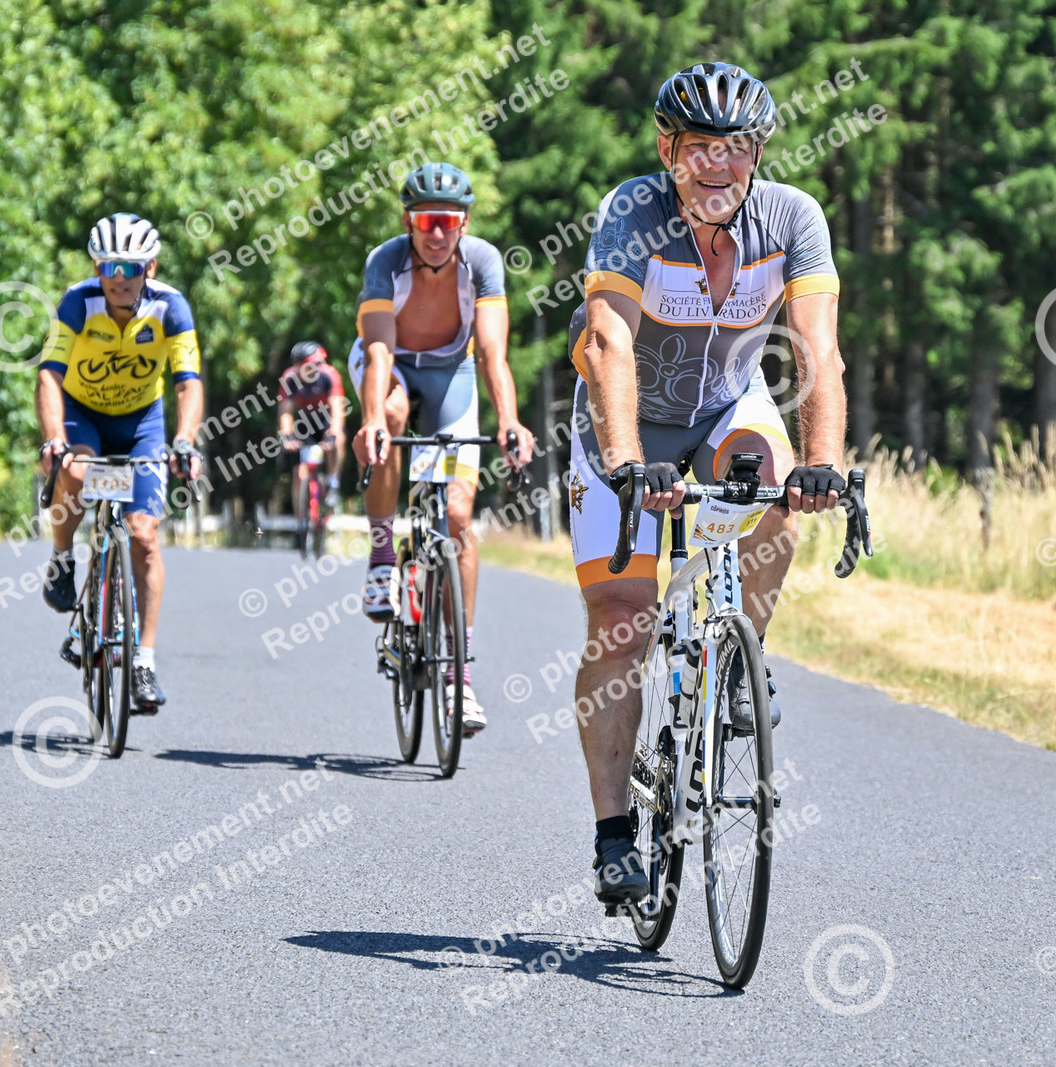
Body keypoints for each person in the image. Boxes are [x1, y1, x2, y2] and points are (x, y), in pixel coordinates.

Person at [565, 64, 848, 903]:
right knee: (622, 620)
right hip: (625, 420)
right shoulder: (633, 213)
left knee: (777, 496)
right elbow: (608, 342)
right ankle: (614, 832)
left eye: (737, 148)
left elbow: (817, 349)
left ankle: (738, 660)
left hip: (728, 404)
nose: (718, 165)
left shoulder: (791, 217)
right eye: (700, 148)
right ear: (668, 152)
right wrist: (625, 462)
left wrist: (824, 460)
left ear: (757, 153)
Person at [350, 162, 535, 735]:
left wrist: (510, 421)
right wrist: (372, 420)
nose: (436, 233)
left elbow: (493, 355)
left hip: (452, 373)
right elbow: (377, 351)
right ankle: (384, 555)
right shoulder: (385, 262)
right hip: (390, 366)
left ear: (464, 224)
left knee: (457, 517)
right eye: (426, 221)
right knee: (392, 418)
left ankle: (459, 677)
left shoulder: (482, 263)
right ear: (408, 220)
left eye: (447, 222)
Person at [37, 212, 205, 710]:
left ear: (149, 267)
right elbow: (49, 375)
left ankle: (144, 661)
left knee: (144, 537)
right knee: (74, 470)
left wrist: (185, 440)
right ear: (97, 267)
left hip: (141, 425)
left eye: (130, 267)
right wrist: (53, 439)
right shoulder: (77, 302)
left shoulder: (171, 307)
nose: (119, 278)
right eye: (109, 266)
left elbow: (187, 382)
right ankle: (62, 559)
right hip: (83, 416)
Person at [279, 340, 348, 513]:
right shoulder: (289, 378)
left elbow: (337, 409)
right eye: (312, 365)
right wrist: (287, 435)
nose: (317, 368)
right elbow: (285, 411)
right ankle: (300, 519)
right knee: (299, 472)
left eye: (319, 364)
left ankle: (333, 481)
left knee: (338, 439)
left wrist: (332, 434)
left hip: (326, 419)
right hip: (304, 421)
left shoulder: (329, 374)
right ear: (298, 366)